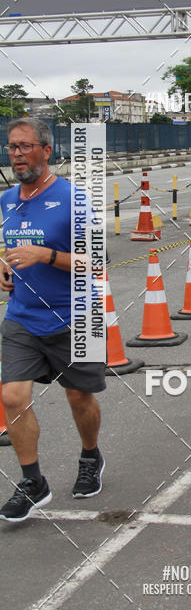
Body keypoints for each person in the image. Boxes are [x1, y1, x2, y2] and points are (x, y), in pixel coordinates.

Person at [0, 119, 106, 523]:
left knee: (79, 397)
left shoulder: (73, 199)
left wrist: (45, 255)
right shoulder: (9, 199)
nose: (17, 154)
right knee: (12, 396)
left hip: (77, 315)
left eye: (26, 146)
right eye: (12, 147)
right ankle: (33, 482)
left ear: (47, 150)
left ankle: (90, 455)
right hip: (23, 316)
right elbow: (12, 245)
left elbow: (97, 261)